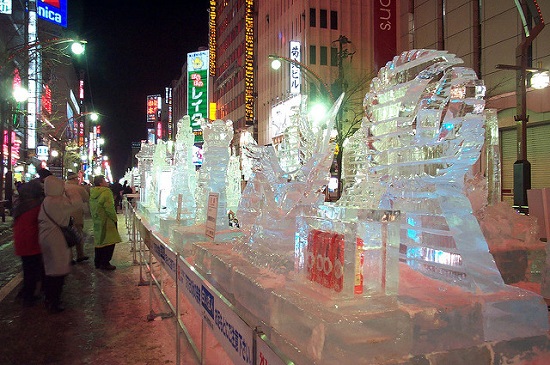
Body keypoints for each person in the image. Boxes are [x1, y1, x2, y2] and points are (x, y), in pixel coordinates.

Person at [12, 168, 51, 306]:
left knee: (28, 269)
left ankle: (26, 292)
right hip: (33, 241)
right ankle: (29, 296)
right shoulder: (37, 206)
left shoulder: (21, 205)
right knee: (34, 270)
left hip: (21, 242)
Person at [38, 175, 76, 313]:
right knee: (58, 272)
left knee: (49, 269)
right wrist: (70, 191)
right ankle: (54, 301)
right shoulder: (60, 201)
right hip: (57, 239)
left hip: (45, 238)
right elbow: (77, 204)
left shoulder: (46, 201)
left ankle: (48, 298)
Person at [90, 175, 121, 270]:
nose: (107, 182)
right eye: (105, 180)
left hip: (97, 219)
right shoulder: (106, 192)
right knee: (109, 242)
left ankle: (98, 262)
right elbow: (109, 208)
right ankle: (105, 262)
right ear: (100, 183)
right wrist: (114, 218)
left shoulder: (93, 192)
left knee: (99, 241)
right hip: (107, 221)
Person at [65, 172, 90, 264]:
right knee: (78, 234)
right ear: (75, 179)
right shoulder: (79, 188)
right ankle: (80, 254)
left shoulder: (62, 187)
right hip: (76, 214)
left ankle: (69, 258)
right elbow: (86, 198)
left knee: (67, 235)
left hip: (64, 214)